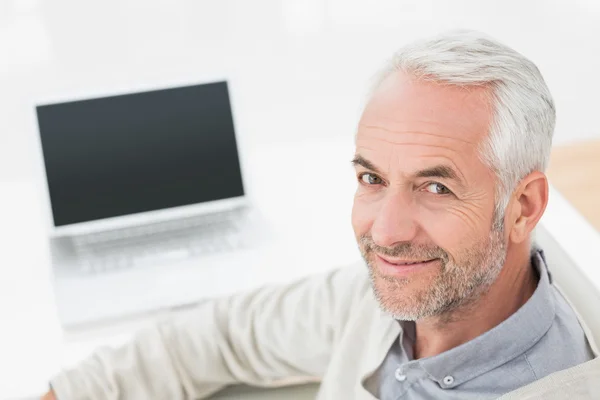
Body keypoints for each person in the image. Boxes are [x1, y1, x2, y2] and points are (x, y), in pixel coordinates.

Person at [42, 30, 599, 400]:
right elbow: (222, 336)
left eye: (434, 186)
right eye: (372, 179)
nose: (386, 232)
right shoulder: (388, 299)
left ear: (522, 208)